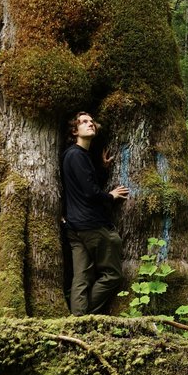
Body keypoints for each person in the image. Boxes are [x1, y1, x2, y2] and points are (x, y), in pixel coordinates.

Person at [61, 111, 130, 315]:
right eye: (84, 122)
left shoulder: (76, 156)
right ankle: (87, 315)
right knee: (112, 275)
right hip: (91, 225)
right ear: (75, 131)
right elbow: (90, 192)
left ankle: (77, 320)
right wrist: (111, 196)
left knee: (81, 277)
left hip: (74, 226)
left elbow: (83, 182)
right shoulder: (76, 155)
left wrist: (102, 168)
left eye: (92, 122)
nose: (90, 124)